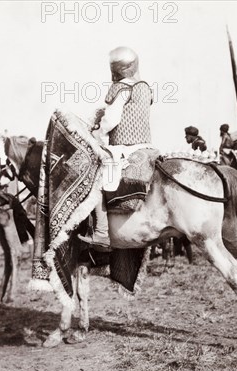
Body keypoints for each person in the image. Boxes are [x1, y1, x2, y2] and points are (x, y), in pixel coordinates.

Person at [79, 46, 153, 248]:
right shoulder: (144, 87)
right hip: (146, 146)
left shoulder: (120, 88)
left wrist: (99, 135)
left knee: (94, 180)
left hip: (123, 149)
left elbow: (111, 120)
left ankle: (102, 232)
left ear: (116, 69)